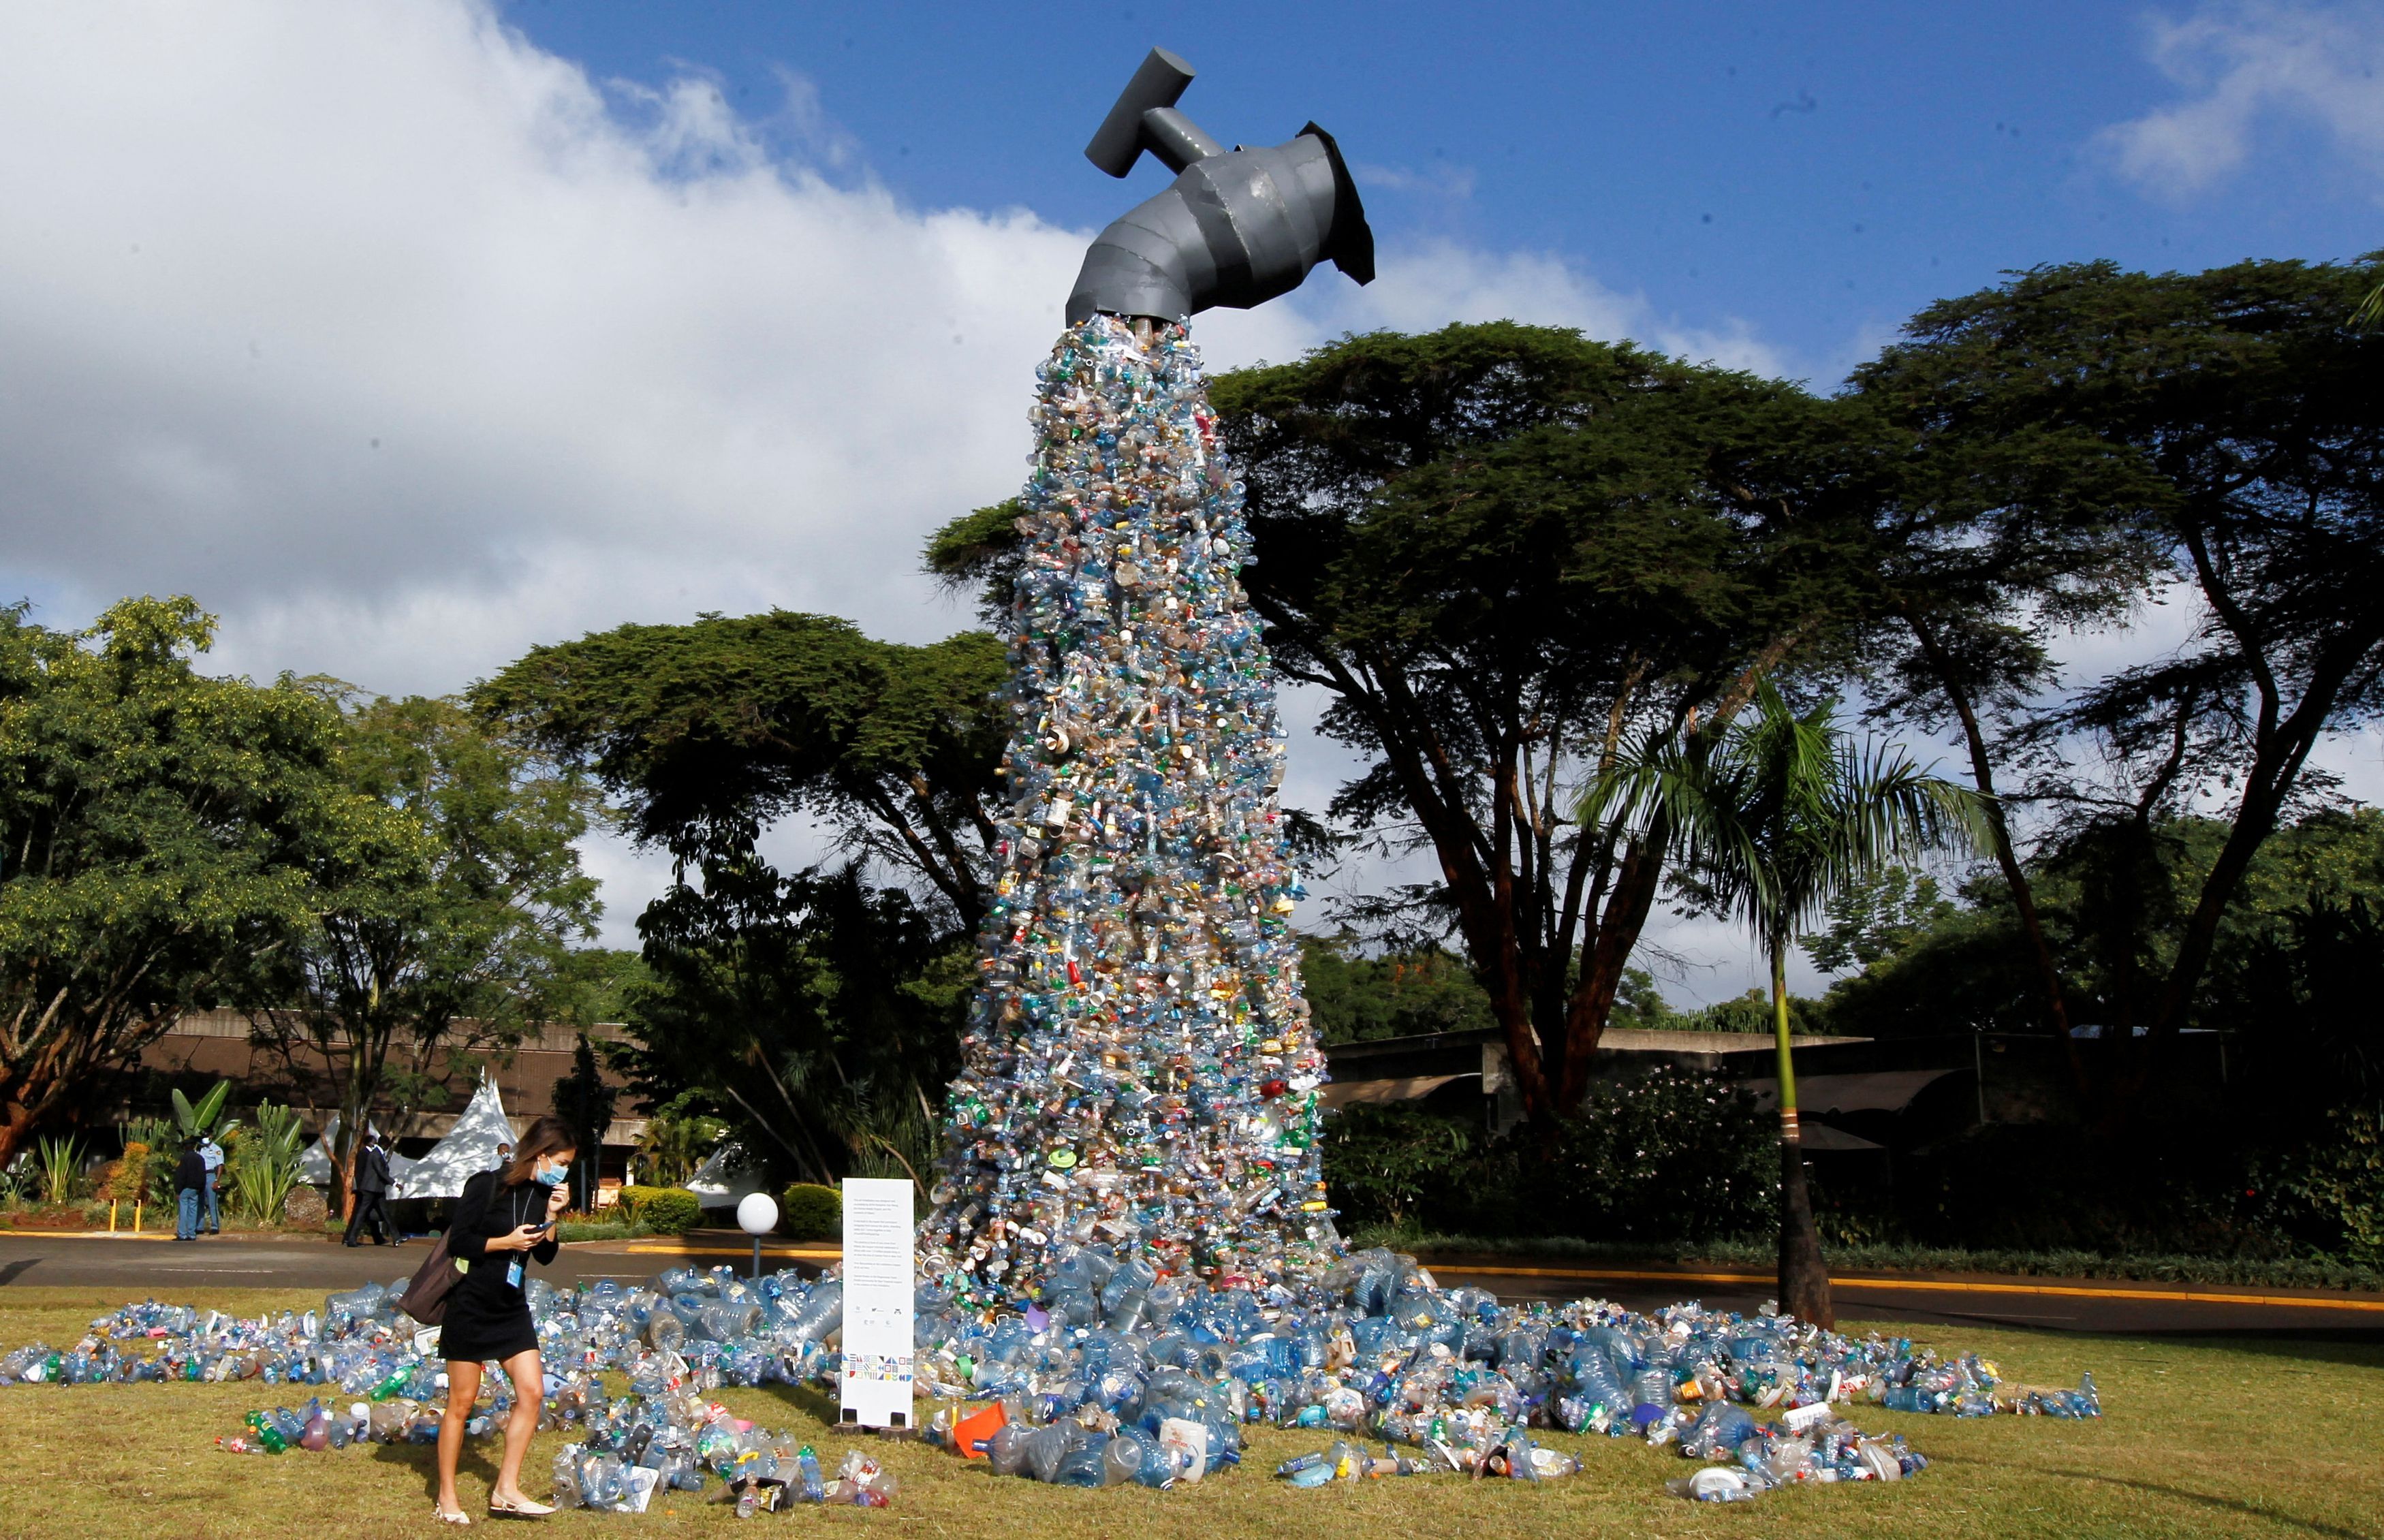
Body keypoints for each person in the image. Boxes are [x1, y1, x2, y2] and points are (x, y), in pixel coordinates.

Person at [433, 1114, 574, 1524]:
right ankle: (447, 1498)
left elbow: (545, 1256)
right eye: (562, 1161)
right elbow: (460, 1240)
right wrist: (505, 1243)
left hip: (511, 1306)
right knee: (460, 1404)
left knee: (532, 1393)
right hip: (472, 1304)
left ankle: (506, 1491)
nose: (564, 1170)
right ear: (542, 1154)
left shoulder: (540, 1194)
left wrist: (554, 1216)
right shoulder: (486, 1184)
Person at [343, 1131, 394, 1247]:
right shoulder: (364, 1154)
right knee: (360, 1213)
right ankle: (349, 1238)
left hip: (372, 1188)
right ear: (369, 1143)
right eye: (374, 1143)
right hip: (366, 1188)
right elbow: (360, 1172)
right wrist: (362, 1187)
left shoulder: (372, 1154)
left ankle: (377, 1237)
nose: (375, 1145)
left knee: (370, 1214)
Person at [172, 1137, 206, 1242]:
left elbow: (180, 1176)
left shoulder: (184, 1159)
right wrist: (201, 1188)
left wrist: (178, 1190)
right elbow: (203, 1174)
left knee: (184, 1211)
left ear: (185, 1147)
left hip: (185, 1188)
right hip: (196, 1188)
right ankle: (192, 1234)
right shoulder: (200, 1158)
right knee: (193, 1211)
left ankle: (182, 1234)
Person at [198, 1131, 225, 1236]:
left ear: (211, 1136)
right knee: (200, 1202)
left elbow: (220, 1165)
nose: (204, 1139)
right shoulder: (202, 1149)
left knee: (212, 1203)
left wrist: (217, 1180)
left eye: (206, 1136)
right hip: (201, 1175)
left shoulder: (216, 1149)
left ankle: (215, 1226)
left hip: (211, 1175)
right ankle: (199, 1227)